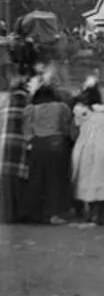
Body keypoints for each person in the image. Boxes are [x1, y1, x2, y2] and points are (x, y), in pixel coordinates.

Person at [21, 74, 74, 225]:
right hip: (57, 145)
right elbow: (66, 127)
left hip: (37, 146)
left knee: (37, 180)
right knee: (55, 180)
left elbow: (27, 131)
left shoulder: (30, 109)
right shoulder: (62, 107)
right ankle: (54, 214)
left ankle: (35, 214)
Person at [71, 78, 104, 225]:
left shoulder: (80, 111)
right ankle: (101, 214)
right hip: (103, 149)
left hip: (85, 149)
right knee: (101, 179)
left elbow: (76, 128)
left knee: (86, 179)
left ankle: (89, 213)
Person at [0, 79, 29, 224]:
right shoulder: (27, 101)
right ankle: (17, 213)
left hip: (4, 143)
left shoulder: (4, 100)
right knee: (19, 181)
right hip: (20, 142)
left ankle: (5, 214)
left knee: (5, 181)